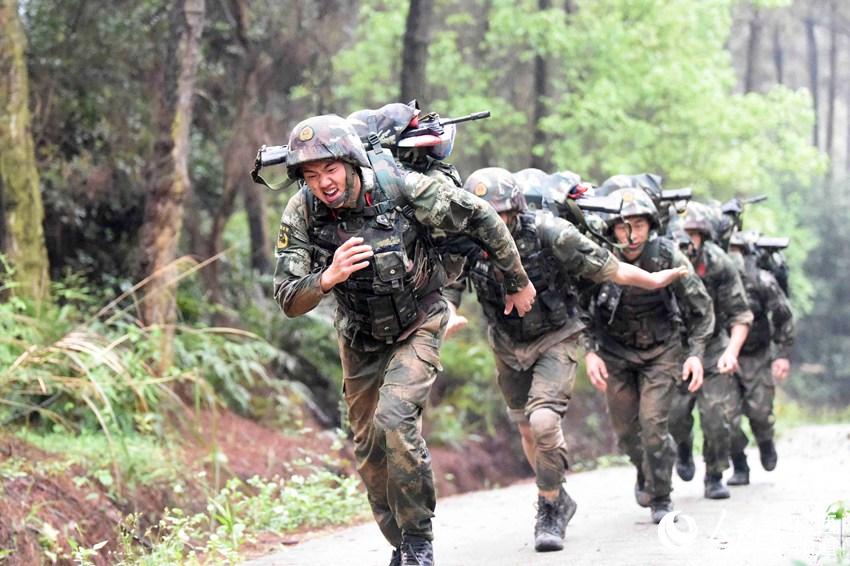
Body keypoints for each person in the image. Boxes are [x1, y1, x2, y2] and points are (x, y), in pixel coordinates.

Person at [272, 115, 536, 566]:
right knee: (369, 447)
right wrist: (328, 277)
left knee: (395, 419)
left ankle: (418, 541)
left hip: (419, 318)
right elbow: (289, 299)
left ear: (351, 162)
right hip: (359, 335)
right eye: (311, 176)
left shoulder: (402, 187)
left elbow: (483, 217)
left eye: (330, 170)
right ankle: (400, 543)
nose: (323, 184)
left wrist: (517, 280)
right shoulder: (302, 212)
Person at [447, 168, 689, 547]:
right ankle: (558, 494)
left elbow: (608, 266)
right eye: (485, 215)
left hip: (556, 336)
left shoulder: (549, 232)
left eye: (502, 215)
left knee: (543, 421)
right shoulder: (465, 240)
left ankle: (548, 509)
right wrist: (448, 312)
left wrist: (653, 280)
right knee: (527, 428)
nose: (495, 224)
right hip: (507, 344)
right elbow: (449, 284)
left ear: (516, 210)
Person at [582, 187, 714, 523]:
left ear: (650, 226)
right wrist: (589, 351)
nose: (631, 235)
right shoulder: (599, 257)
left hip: (661, 351)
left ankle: (661, 496)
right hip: (616, 354)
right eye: (623, 227)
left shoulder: (667, 255)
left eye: (638, 225)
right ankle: (645, 468)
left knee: (653, 425)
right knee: (627, 433)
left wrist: (696, 354)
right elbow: (578, 308)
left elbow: (701, 309)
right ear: (611, 229)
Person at [669, 202, 753, 500]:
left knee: (718, 416)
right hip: (675, 348)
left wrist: (731, 351)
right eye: (682, 234)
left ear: (703, 236)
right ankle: (681, 446)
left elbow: (741, 315)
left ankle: (715, 473)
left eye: (693, 234)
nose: (687, 240)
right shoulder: (660, 260)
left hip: (714, 346)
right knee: (673, 416)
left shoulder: (719, 264)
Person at [726, 231, 795, 485]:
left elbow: (783, 316)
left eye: (737, 250)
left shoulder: (762, 281)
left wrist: (782, 355)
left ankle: (765, 442)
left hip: (757, 354)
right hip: (724, 356)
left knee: (760, 412)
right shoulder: (715, 279)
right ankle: (739, 464)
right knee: (726, 416)